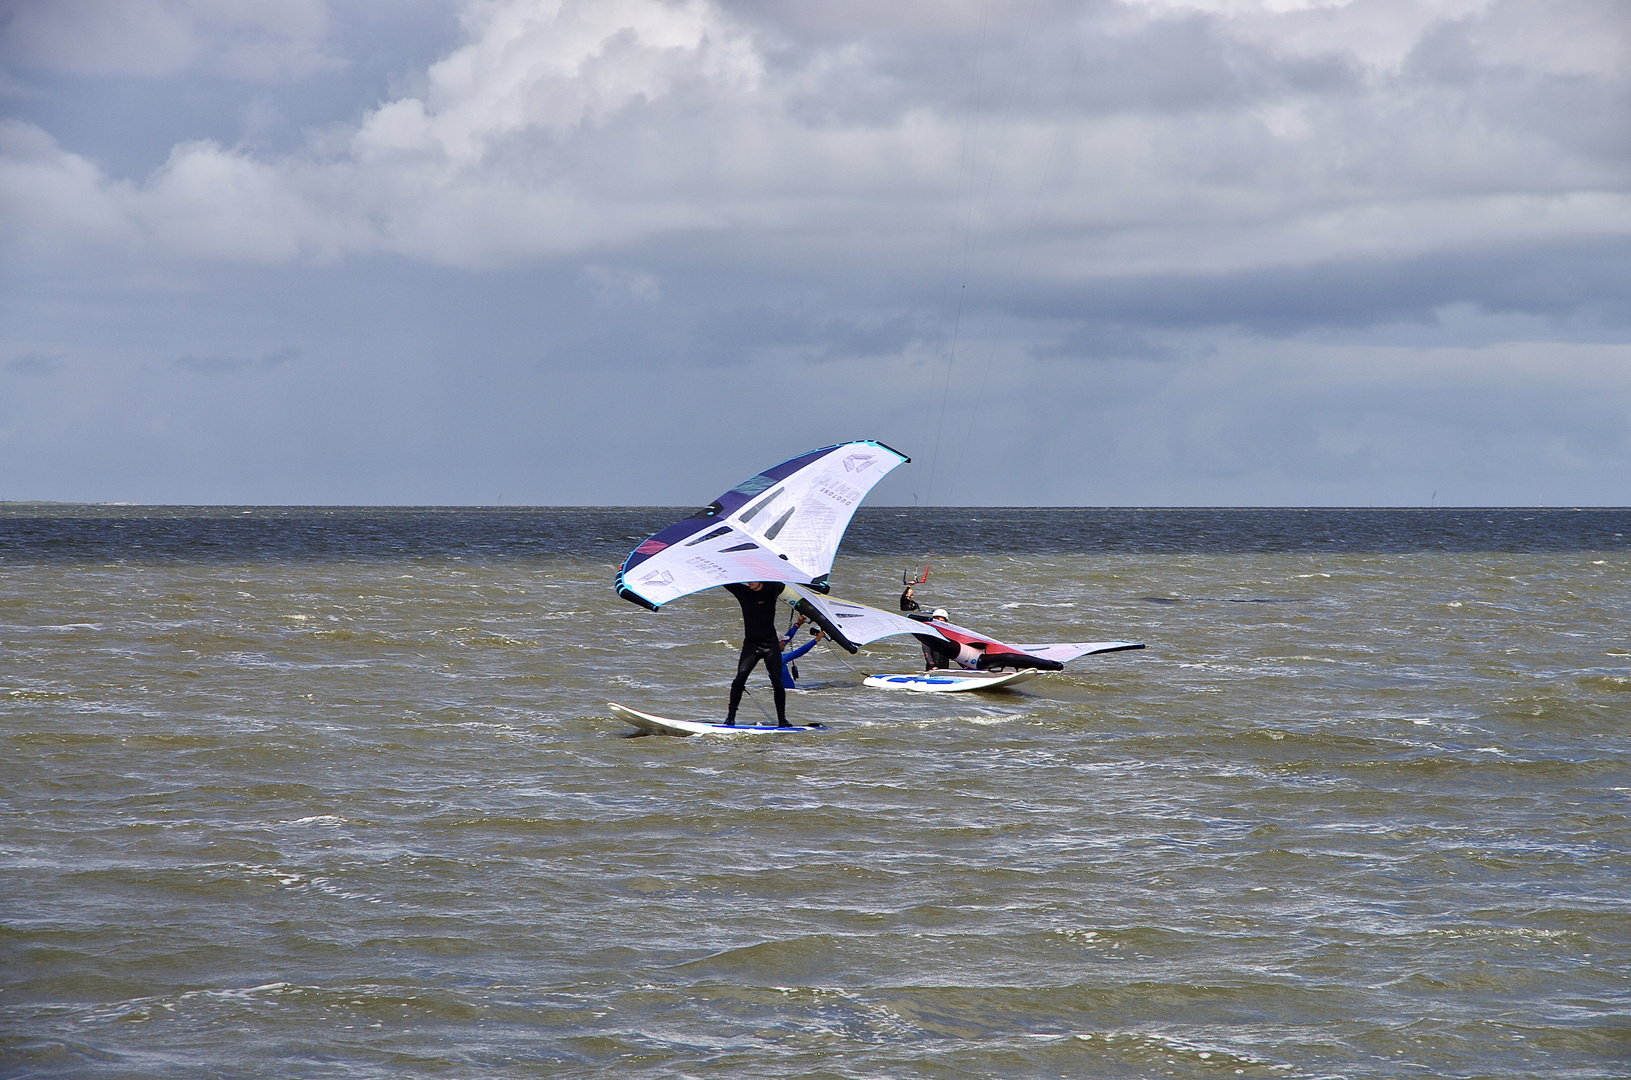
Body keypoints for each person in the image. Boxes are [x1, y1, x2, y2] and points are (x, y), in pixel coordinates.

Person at [722, 580, 789, 726]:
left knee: (777, 682)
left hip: (770, 645)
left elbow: (778, 577)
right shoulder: (743, 592)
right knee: (740, 678)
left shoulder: (771, 589)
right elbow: (725, 581)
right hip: (751, 645)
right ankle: (730, 717)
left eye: (753, 579)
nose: (749, 582)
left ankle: (782, 720)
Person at [778, 615, 825, 689]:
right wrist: (816, 640)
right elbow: (798, 652)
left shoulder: (770, 653)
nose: (785, 643)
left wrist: (798, 624)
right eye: (782, 641)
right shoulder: (778, 658)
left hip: (786, 690)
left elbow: (787, 638)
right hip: (787, 691)